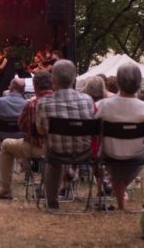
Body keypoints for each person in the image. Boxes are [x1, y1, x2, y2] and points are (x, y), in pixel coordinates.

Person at [35, 60, 95, 209]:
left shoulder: (43, 103)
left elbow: (41, 131)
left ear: (53, 79)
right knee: (55, 153)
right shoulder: (88, 101)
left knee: (52, 157)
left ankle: (52, 201)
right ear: (74, 78)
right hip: (85, 153)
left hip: (57, 153)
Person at [96, 63, 144, 211]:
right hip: (135, 155)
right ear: (139, 83)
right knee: (143, 156)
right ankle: (121, 194)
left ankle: (119, 192)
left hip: (108, 154)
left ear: (118, 82)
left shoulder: (102, 105)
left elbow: (95, 132)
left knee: (108, 157)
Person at [0, 77, 35, 199]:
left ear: (10, 88)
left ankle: (3, 182)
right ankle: (27, 175)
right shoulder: (28, 104)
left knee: (1, 145)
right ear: (23, 91)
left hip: (2, 139)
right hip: (23, 141)